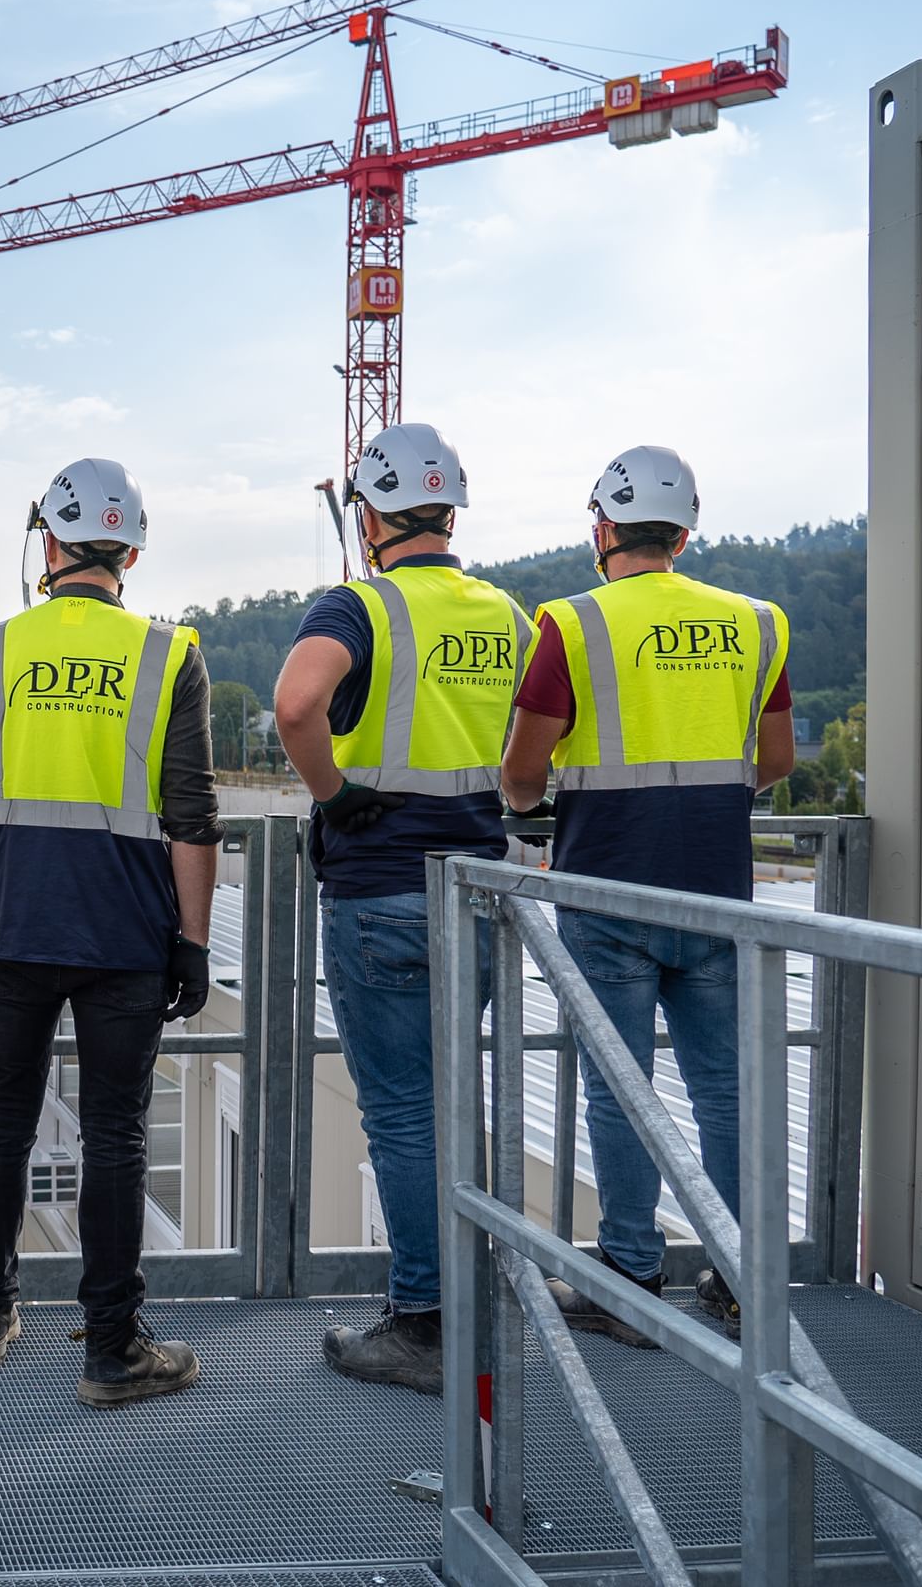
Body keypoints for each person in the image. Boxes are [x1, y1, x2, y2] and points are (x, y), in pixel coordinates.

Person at [501, 446, 793, 1344]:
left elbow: (523, 768)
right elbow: (774, 761)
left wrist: (526, 804)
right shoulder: (756, 621)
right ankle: (744, 1283)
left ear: (602, 529)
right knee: (727, 1091)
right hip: (718, 892)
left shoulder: (574, 623)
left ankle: (628, 1276)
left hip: (608, 889)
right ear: (686, 529)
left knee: (621, 1090)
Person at [0, 457, 221, 1409]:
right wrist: (193, 941)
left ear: (48, 544)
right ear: (131, 552)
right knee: (114, 1135)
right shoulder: (168, 653)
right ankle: (112, 1349)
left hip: (18, 922)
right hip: (125, 933)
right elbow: (192, 811)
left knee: (2, 1118)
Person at [273, 422, 530, 1395]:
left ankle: (423, 1322)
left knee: (402, 1116)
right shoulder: (506, 613)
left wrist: (334, 795)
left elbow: (298, 706)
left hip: (380, 887)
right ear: (451, 510)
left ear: (371, 515)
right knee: (453, 1104)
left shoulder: (359, 605)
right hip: (477, 888)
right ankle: (464, 1301)